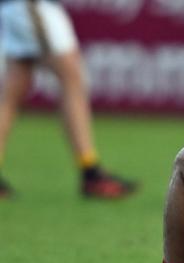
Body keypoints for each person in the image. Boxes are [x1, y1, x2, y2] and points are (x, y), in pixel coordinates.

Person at [0, 0, 136, 199]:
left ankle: (91, 171)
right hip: (33, 6)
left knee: (14, 89)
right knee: (71, 78)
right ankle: (90, 171)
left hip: (21, 6)